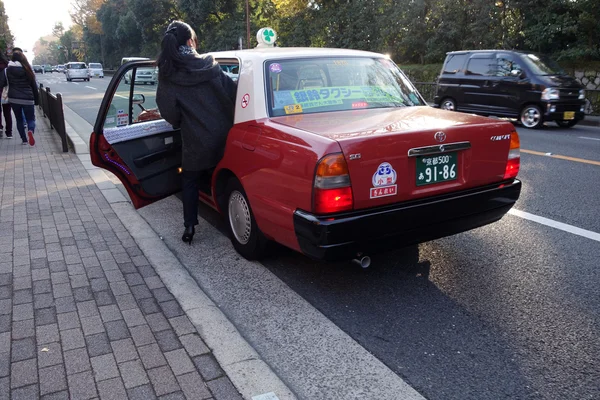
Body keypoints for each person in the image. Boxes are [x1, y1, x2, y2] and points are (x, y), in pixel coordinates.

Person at [156, 20, 237, 244]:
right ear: (191, 41)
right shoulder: (210, 65)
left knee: (189, 179)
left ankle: (190, 227)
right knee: (227, 174)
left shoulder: (169, 73)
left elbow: (168, 111)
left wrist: (181, 121)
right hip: (226, 135)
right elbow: (232, 92)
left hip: (196, 140)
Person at [0, 47, 39, 145]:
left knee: (19, 119)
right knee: (31, 119)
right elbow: (34, 86)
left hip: (14, 98)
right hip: (28, 98)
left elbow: (2, 83)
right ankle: (30, 130)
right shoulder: (27, 69)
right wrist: (37, 100)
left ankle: (24, 139)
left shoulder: (7, 70)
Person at [0, 52, 13, 138]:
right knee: (7, 112)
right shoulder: (6, 65)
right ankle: (9, 132)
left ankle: (0, 128)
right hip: (5, 91)